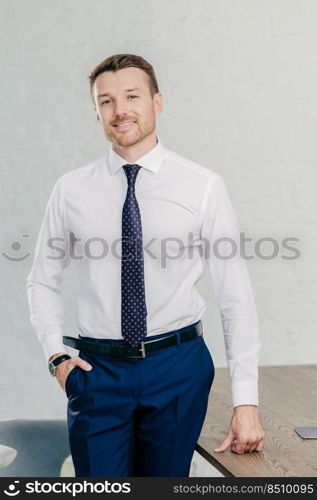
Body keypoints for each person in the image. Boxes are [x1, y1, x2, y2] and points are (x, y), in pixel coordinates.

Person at [26, 53, 265, 477]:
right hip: (97, 372)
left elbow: (235, 296)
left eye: (132, 96)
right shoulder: (72, 189)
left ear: (158, 102)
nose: (120, 111)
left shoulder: (202, 186)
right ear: (96, 112)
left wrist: (246, 401)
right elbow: (42, 281)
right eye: (106, 101)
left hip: (178, 368)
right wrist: (55, 357)